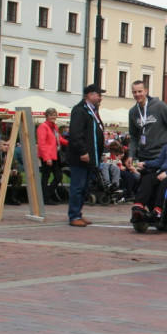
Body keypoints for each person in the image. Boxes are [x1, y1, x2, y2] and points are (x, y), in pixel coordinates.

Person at [67, 83, 105, 227]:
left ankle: (78, 213)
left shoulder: (92, 111)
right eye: (98, 94)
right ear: (90, 95)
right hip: (80, 158)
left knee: (84, 187)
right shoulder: (80, 111)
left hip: (91, 157)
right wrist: (82, 151)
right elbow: (76, 134)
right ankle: (74, 215)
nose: (100, 97)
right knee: (77, 187)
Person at [128, 80, 167, 163]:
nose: (137, 94)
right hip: (144, 156)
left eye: (140, 91)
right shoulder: (133, 112)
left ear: (146, 91)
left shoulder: (159, 106)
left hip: (161, 154)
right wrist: (131, 155)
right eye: (134, 92)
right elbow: (134, 137)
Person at [37, 107, 68, 204]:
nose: (53, 116)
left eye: (54, 115)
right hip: (47, 156)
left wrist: (72, 143)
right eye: (51, 115)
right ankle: (45, 198)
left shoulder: (54, 126)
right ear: (46, 116)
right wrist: (47, 158)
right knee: (46, 176)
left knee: (58, 176)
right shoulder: (43, 127)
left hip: (54, 155)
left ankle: (48, 194)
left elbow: (59, 140)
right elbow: (42, 143)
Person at [0, 137, 23, 206]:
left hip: (6, 174)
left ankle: (12, 198)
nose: (6, 147)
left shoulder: (9, 154)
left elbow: (15, 165)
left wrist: (15, 170)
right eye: (4, 145)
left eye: (8, 145)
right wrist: (4, 171)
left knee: (19, 176)